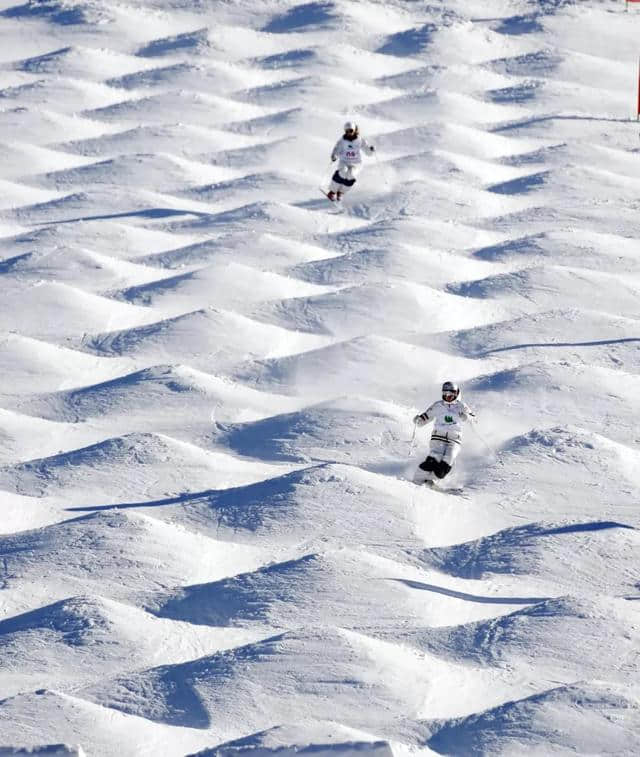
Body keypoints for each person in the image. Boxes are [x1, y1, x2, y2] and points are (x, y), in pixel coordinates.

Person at [412, 381, 475, 485]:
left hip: (454, 440)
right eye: (445, 394)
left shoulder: (462, 406)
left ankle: (428, 479)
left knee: (442, 470)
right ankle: (417, 480)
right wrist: (418, 420)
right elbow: (424, 418)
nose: (448, 396)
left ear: (457, 394)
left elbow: (474, 420)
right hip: (438, 437)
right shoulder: (438, 405)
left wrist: (467, 417)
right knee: (433, 459)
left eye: (451, 394)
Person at [326, 121, 375, 202]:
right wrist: (334, 155)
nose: (349, 133)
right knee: (343, 172)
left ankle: (341, 192)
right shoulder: (342, 141)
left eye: (351, 131)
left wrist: (371, 150)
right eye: (347, 131)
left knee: (351, 175)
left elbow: (368, 152)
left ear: (354, 130)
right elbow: (337, 149)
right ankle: (332, 192)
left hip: (356, 163)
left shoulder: (360, 140)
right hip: (344, 161)